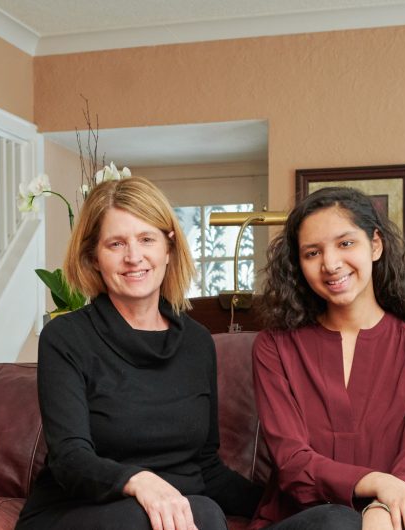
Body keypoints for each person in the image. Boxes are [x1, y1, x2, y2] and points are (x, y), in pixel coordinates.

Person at [16, 176, 262, 530]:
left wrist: (285, 502)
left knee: (330, 518)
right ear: (93, 258)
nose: (134, 257)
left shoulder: (197, 343)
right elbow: (70, 460)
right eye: (116, 243)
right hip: (77, 513)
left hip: (179, 515)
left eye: (147, 239)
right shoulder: (66, 338)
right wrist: (139, 481)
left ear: (169, 247)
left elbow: (206, 466)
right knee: (199, 513)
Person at [251, 187, 405, 530]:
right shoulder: (274, 348)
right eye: (312, 252)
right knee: (338, 522)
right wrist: (380, 484)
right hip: (301, 521)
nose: (330, 264)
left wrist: (382, 506)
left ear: (375, 245)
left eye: (346, 243)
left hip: (393, 513)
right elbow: (292, 464)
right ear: (299, 265)